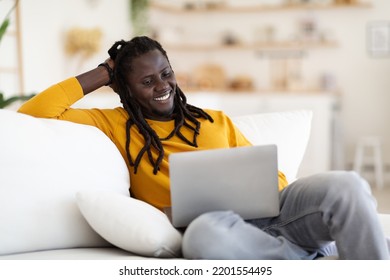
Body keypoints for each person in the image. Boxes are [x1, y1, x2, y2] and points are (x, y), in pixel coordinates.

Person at [18, 36, 389, 260]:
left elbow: (272, 175)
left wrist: (271, 192)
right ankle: (313, 251)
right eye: (146, 81)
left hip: (274, 214)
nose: (162, 85)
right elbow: (35, 111)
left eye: (165, 73)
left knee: (348, 185)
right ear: (126, 89)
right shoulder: (114, 124)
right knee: (201, 237)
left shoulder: (214, 119)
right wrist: (103, 71)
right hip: (218, 226)